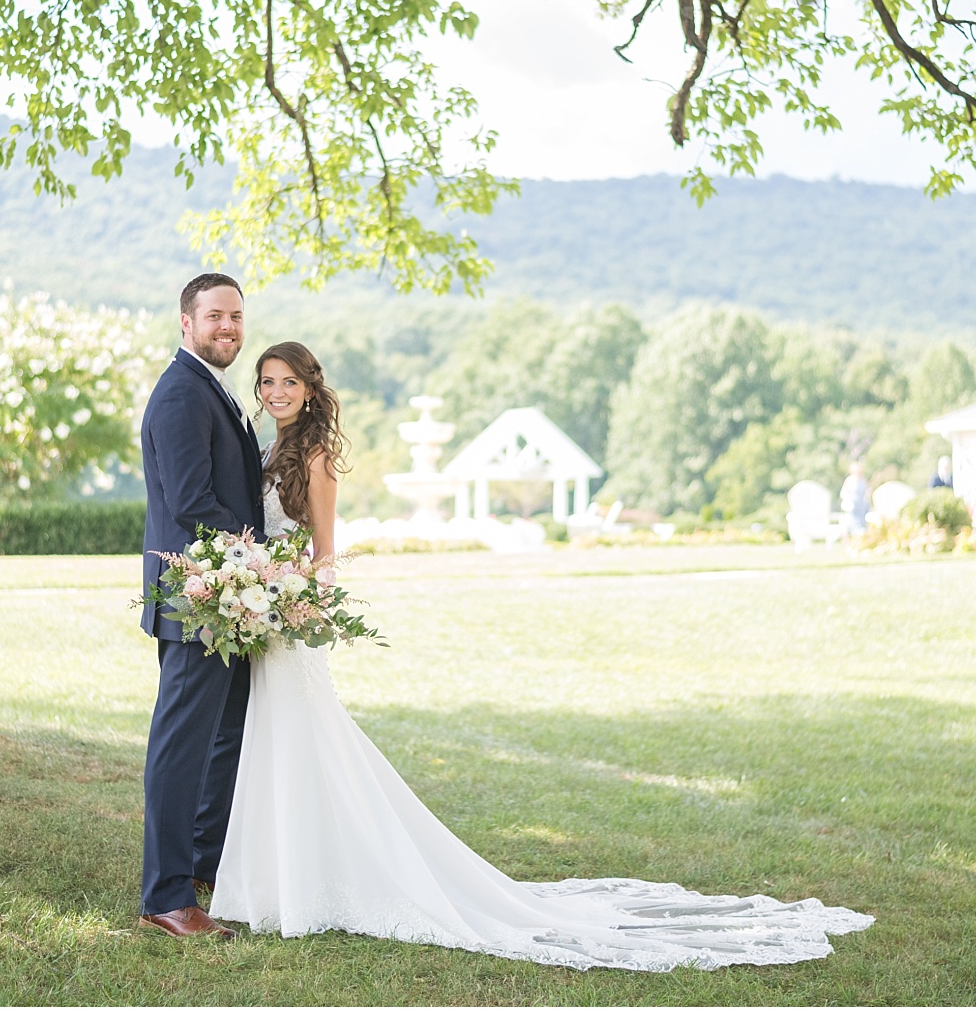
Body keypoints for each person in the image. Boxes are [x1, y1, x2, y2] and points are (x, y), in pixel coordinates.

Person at [209, 343, 874, 971]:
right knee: (280, 743)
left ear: (310, 387)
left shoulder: (317, 455)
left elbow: (325, 551)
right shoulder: (271, 448)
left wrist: (305, 606)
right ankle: (285, 879)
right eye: (267, 382)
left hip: (294, 622)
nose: (275, 391)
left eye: (287, 381)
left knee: (308, 741)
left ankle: (328, 880)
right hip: (270, 615)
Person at [137, 273, 262, 937]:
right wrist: (258, 557)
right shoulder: (183, 393)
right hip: (196, 602)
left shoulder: (210, 387)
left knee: (223, 739)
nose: (229, 328)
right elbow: (192, 503)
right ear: (186, 322)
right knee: (183, 745)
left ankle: (203, 866)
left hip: (223, 601)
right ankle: (165, 894)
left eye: (237, 317)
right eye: (215, 316)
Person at [839, 461, 871, 536]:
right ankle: (856, 531)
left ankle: (863, 531)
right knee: (853, 518)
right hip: (852, 505)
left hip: (862, 505)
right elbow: (843, 493)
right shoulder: (849, 480)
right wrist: (848, 501)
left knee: (864, 516)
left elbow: (866, 491)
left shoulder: (863, 480)